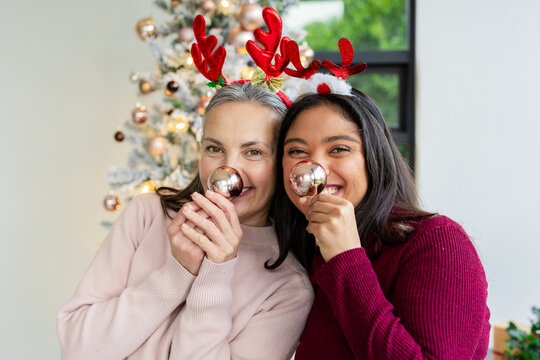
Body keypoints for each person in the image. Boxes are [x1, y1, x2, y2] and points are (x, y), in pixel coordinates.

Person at [57, 82, 314, 360]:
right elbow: (77, 349)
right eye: (214, 148)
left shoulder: (288, 288)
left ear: (281, 164)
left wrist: (216, 272)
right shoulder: (148, 214)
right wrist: (176, 273)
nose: (229, 168)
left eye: (253, 152)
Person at [270, 89, 490, 359]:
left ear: (374, 156)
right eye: (297, 151)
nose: (314, 168)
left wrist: (345, 258)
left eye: (339, 148)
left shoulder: (437, 241)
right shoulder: (304, 251)